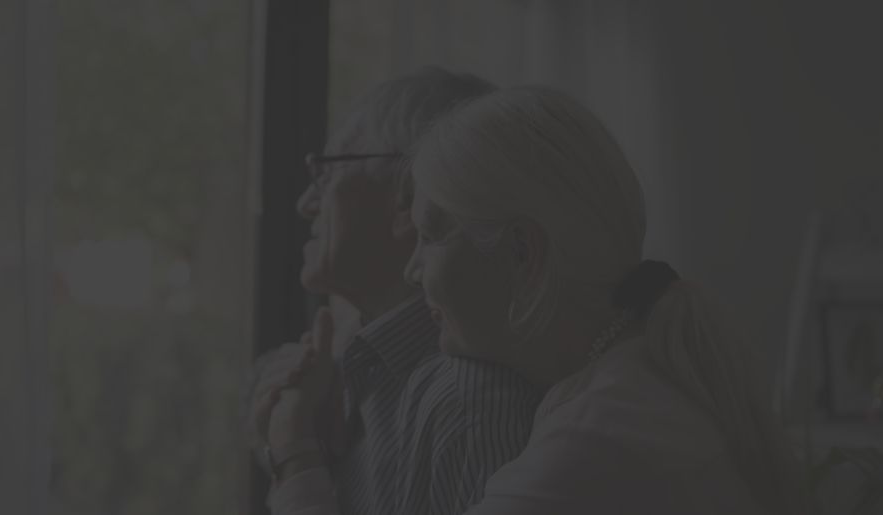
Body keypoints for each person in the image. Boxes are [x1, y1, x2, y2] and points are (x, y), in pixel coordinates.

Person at [260, 86, 807, 515]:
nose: (412, 266)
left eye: (430, 235)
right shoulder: (634, 379)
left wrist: (294, 451)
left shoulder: (592, 443)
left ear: (522, 252)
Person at [247, 69, 546, 515]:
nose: (306, 203)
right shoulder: (354, 373)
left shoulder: (469, 408)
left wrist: (295, 455)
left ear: (408, 196)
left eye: (327, 173)